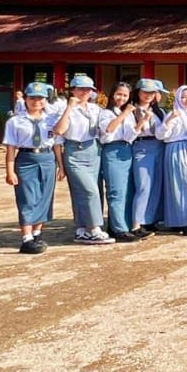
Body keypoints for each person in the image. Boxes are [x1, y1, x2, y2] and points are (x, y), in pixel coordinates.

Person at [54, 75, 114, 246]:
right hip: (74, 151)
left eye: (88, 89)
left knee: (89, 190)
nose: (85, 92)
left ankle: (81, 229)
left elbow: (103, 130)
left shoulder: (96, 109)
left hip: (93, 150)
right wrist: (61, 166)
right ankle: (94, 228)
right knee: (89, 191)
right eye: (80, 89)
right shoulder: (63, 109)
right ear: (72, 90)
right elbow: (58, 133)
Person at [2, 82, 61, 254]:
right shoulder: (15, 121)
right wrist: (10, 171)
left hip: (48, 158)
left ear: (45, 100)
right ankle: (26, 238)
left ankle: (37, 233)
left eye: (40, 98)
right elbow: (11, 148)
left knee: (44, 196)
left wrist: (61, 167)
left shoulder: (51, 120)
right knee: (27, 197)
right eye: (32, 98)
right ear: (25, 99)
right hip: (26, 158)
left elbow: (57, 144)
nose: (36, 101)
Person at [97, 82, 144, 242]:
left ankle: (120, 224)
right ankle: (119, 229)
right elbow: (108, 130)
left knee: (127, 190)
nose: (121, 98)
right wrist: (124, 114)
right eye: (119, 94)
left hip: (127, 149)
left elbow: (131, 135)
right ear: (112, 94)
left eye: (125, 95)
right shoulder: (106, 113)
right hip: (112, 150)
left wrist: (141, 121)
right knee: (116, 190)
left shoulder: (129, 113)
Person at [159, 85, 187, 236]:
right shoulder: (173, 114)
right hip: (175, 150)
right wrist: (170, 119)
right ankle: (178, 221)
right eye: (183, 97)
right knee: (176, 187)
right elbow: (161, 135)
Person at [128, 79, 165, 234]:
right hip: (141, 147)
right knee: (143, 185)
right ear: (138, 92)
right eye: (145, 92)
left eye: (152, 92)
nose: (149, 95)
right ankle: (136, 223)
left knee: (156, 184)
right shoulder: (131, 110)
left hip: (159, 146)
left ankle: (149, 219)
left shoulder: (159, 111)